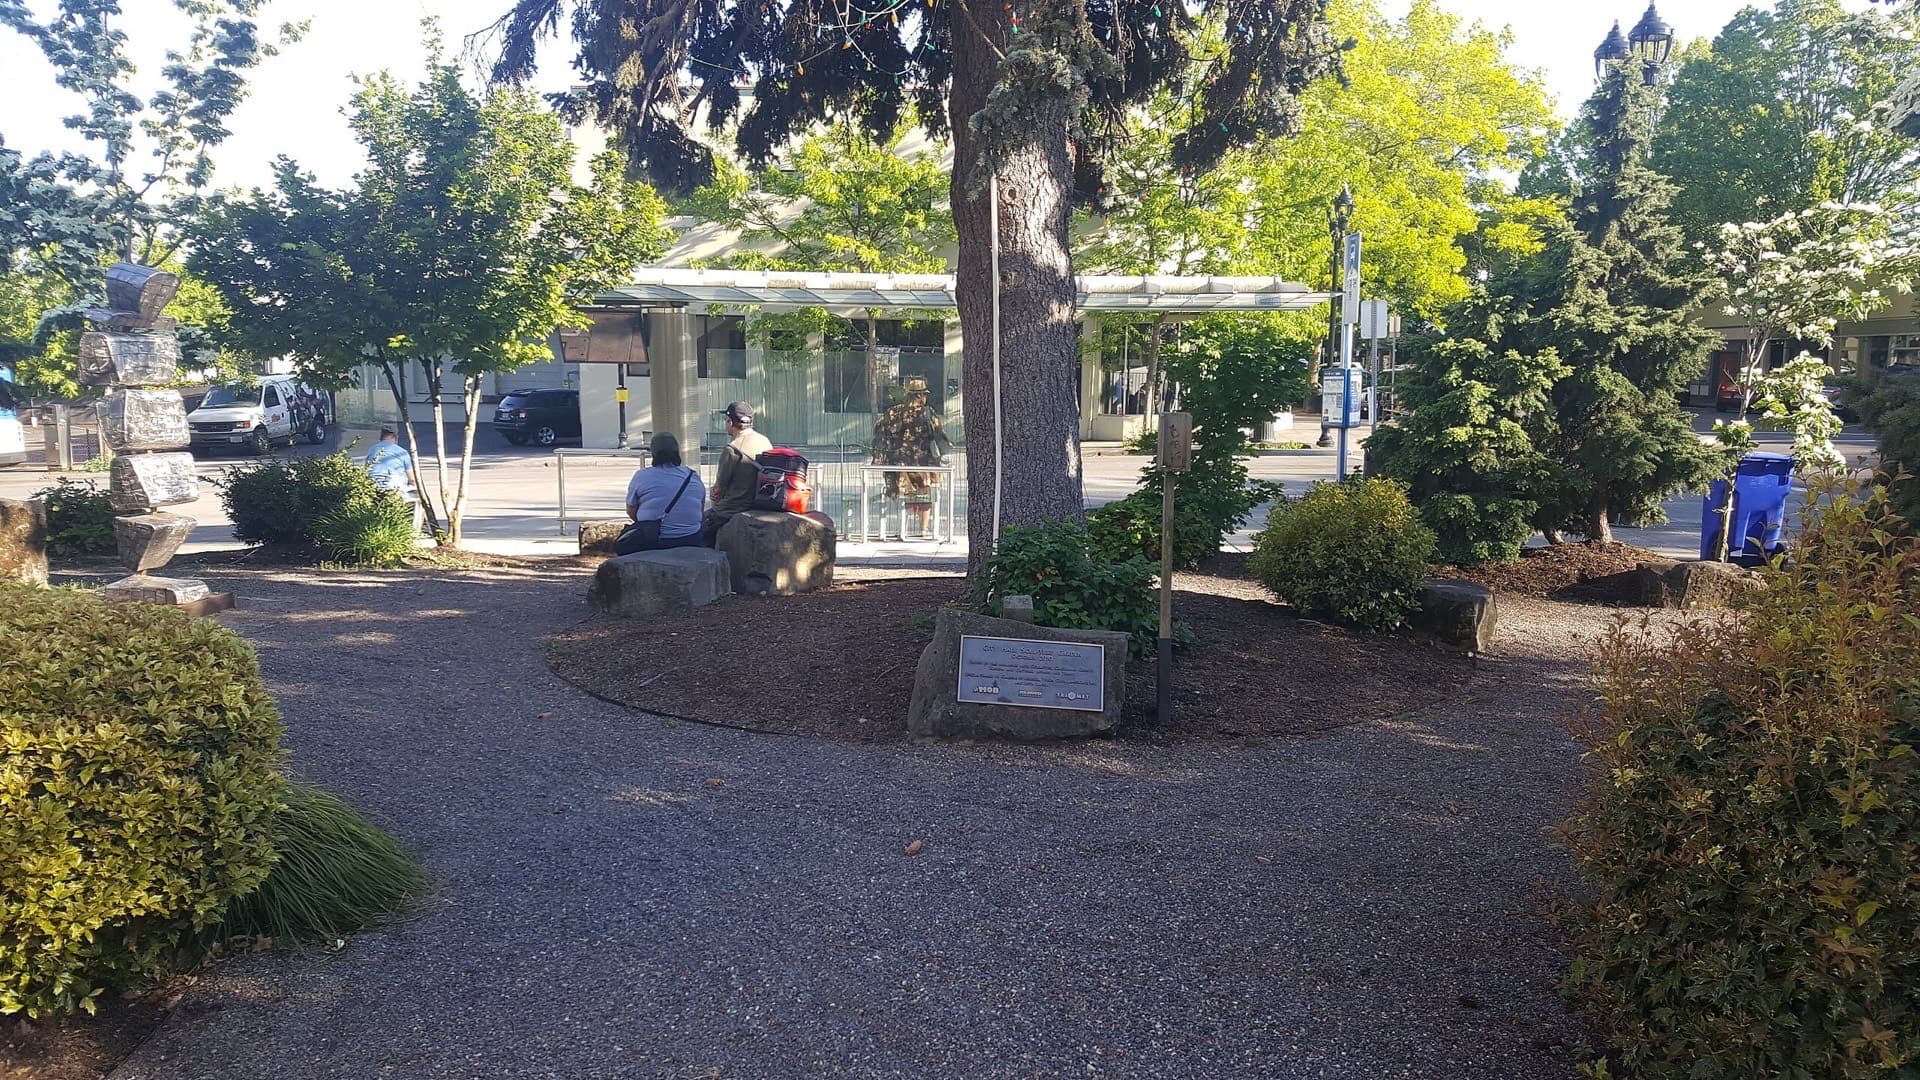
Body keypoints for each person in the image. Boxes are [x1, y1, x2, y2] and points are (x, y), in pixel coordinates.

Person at [871, 377, 952, 538]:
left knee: (905, 496)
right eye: (924, 395)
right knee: (925, 495)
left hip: (898, 463)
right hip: (924, 463)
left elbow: (879, 433)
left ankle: (903, 529)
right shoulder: (927, 413)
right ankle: (923, 529)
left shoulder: (893, 412)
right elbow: (939, 434)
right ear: (921, 396)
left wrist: (882, 456)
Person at [615, 432, 705, 554]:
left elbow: (631, 510)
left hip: (653, 540)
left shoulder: (642, 476)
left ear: (653, 454)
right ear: (677, 452)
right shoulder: (692, 476)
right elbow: (700, 509)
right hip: (691, 538)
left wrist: (650, 522)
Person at [701, 399, 771, 546]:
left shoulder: (732, 448)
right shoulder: (765, 441)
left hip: (734, 506)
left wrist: (715, 503)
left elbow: (718, 489)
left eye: (726, 420)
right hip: (760, 502)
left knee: (696, 529)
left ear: (731, 422)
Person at [363, 426, 422, 532]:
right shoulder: (402, 452)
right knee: (418, 499)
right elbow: (412, 479)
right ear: (395, 438)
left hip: (372, 487)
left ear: (381, 438)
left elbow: (366, 470)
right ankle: (413, 529)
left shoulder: (372, 450)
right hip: (394, 488)